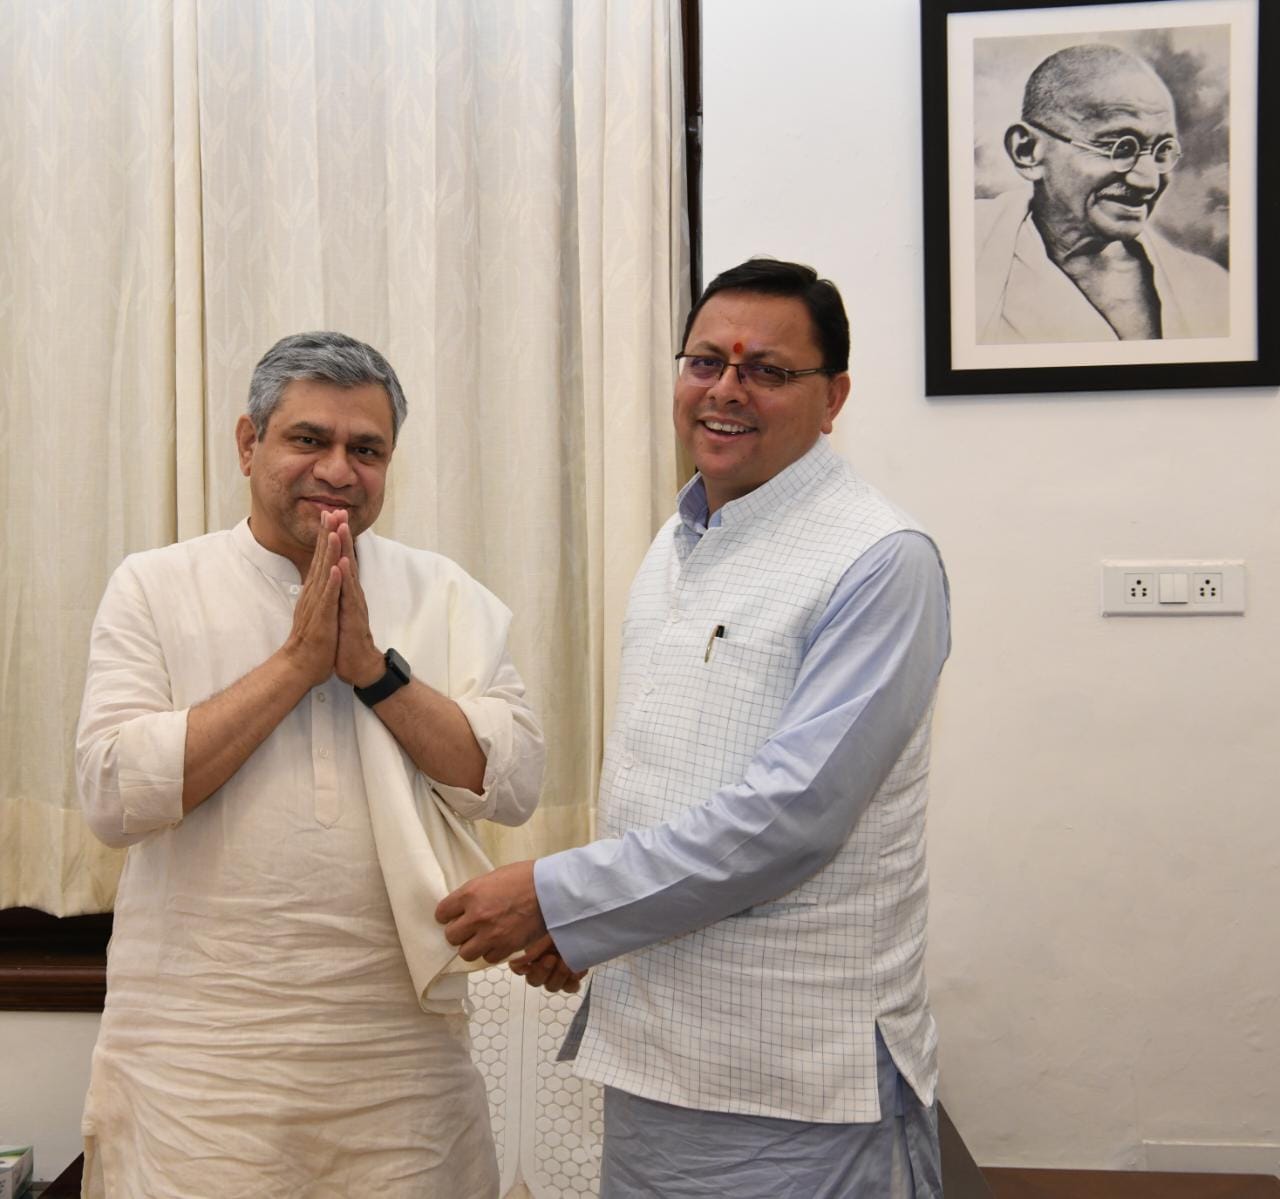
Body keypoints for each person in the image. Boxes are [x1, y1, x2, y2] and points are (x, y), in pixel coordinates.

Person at [438, 260, 951, 1197]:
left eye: (768, 370)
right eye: (706, 361)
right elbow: (666, 782)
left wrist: (558, 895)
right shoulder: (678, 540)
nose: (726, 389)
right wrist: (589, 926)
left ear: (834, 397)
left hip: (798, 1083)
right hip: (654, 1052)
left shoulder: (881, 560)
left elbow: (790, 818)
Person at [76, 331, 544, 1198]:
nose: (337, 469)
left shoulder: (444, 593)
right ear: (248, 443)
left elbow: (512, 781)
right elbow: (112, 792)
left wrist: (371, 669)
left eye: (366, 449)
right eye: (308, 439)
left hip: (400, 1063)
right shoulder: (156, 585)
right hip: (201, 1062)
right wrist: (295, 664)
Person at [976, 42, 1229, 343]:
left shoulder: (1208, 287)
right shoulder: (965, 251)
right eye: (1119, 147)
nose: (1148, 182)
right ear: (1028, 151)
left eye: (1162, 151)